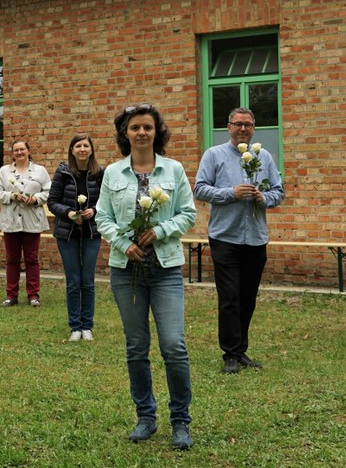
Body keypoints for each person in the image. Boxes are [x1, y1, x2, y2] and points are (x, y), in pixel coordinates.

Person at [96, 104, 197, 451]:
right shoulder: (112, 173)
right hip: (127, 272)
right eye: (135, 127)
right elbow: (102, 218)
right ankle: (146, 417)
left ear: (157, 132)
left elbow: (188, 213)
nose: (142, 133)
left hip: (165, 268)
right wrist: (124, 244)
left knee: (173, 345)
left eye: (148, 128)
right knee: (137, 347)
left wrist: (162, 230)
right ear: (125, 133)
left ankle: (181, 421)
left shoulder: (174, 169)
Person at [193, 108, 284, 374]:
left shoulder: (263, 156)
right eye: (238, 124)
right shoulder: (214, 155)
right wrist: (230, 193)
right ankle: (229, 354)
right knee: (230, 297)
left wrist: (263, 198)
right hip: (225, 236)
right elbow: (199, 188)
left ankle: (241, 349)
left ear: (254, 127)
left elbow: (278, 191)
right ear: (228, 126)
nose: (243, 129)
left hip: (256, 238)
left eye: (248, 125)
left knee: (247, 297)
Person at [47, 134, 104, 341]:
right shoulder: (63, 172)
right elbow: (52, 201)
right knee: (73, 281)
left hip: (91, 232)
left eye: (86, 145)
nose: (82, 149)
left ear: (91, 149)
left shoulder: (99, 173)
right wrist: (70, 213)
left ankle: (87, 326)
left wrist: (94, 210)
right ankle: (75, 327)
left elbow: (107, 201)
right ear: (72, 150)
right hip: (67, 234)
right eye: (78, 146)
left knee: (88, 280)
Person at [0, 140, 52, 307]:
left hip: (32, 219)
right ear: (12, 153)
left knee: (32, 259)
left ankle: (33, 295)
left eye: (22, 149)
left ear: (28, 150)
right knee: (12, 259)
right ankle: (11, 295)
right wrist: (11, 196)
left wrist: (35, 199)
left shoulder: (40, 171)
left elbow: (48, 192)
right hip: (10, 220)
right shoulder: (4, 171)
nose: (19, 152)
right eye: (16, 150)